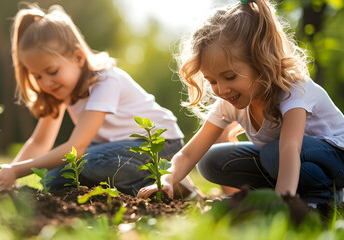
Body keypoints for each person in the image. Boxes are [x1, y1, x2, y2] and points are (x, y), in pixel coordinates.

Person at [137, 0, 344, 206]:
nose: (221, 90)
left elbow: (289, 148)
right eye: (212, 81)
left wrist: (281, 204)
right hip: (288, 162)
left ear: (260, 62)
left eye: (229, 76)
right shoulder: (230, 102)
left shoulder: (294, 90)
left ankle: (321, 199)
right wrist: (167, 179)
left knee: (274, 154)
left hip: (336, 159)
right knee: (211, 161)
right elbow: (188, 153)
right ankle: (269, 196)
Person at [0, 4, 198, 198]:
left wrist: (15, 171)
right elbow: (40, 142)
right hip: (113, 149)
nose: (46, 82)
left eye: (51, 71)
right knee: (53, 178)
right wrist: (6, 175)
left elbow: (76, 147)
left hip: (159, 145)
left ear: (78, 58)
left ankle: (172, 184)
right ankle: (127, 189)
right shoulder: (62, 91)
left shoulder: (106, 81)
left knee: (93, 162)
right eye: (37, 76)